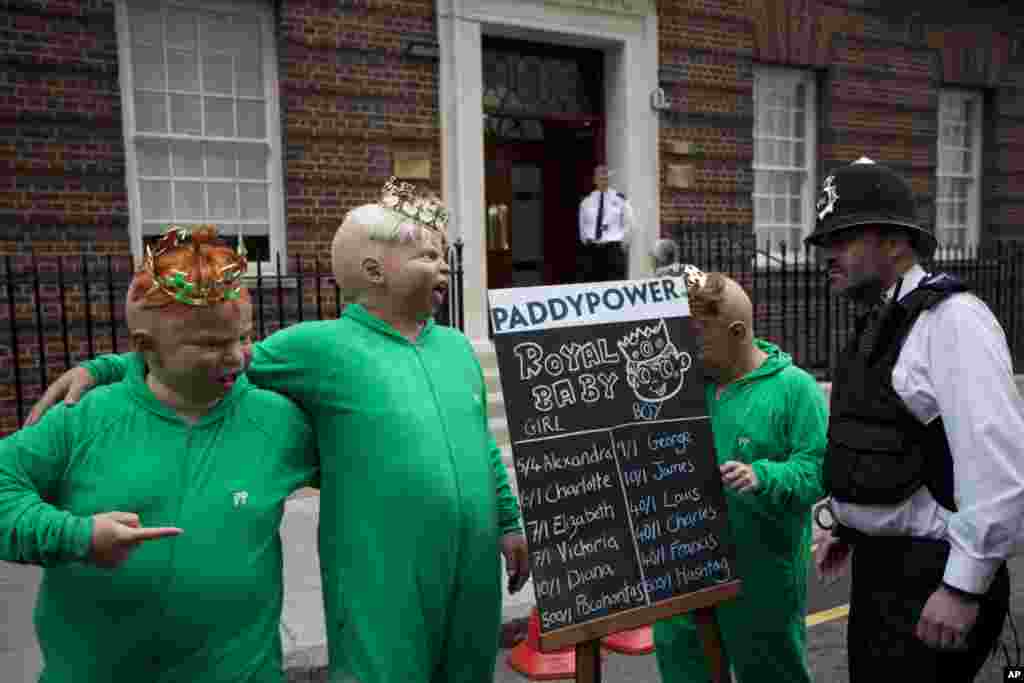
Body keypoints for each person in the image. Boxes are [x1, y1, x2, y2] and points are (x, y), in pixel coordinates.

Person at [25, 178, 530, 683]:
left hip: (473, 565)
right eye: (429, 257)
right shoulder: (322, 347)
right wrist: (108, 368)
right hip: (382, 571)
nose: (444, 267)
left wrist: (507, 521)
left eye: (445, 257)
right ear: (375, 271)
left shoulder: (459, 350)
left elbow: (480, 441)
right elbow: (215, 355)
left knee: (469, 668)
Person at [1, 225, 318, 682]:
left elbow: (367, 463)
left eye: (243, 336)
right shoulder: (84, 420)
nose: (235, 357)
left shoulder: (280, 422)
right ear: (146, 346)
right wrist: (76, 535)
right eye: (210, 344)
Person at [808, 157, 1024, 681]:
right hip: (884, 570)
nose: (827, 256)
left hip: (931, 575)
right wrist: (850, 523)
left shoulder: (953, 321)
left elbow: (997, 469)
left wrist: (962, 587)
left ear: (895, 243)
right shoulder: (880, 321)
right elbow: (886, 441)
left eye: (843, 238)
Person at [654, 271, 827, 683]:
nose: (687, 348)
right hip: (686, 563)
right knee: (683, 664)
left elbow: (818, 470)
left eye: (699, 336)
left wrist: (762, 475)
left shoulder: (795, 389)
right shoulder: (687, 386)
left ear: (736, 331)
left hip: (763, 572)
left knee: (771, 671)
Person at [578, 164, 633, 281]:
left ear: (609, 179)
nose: (603, 180)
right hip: (593, 250)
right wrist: (588, 243)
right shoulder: (587, 202)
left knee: (615, 284)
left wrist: (623, 244)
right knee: (592, 285)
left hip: (613, 249)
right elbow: (582, 227)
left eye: (605, 177)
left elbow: (629, 223)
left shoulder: (620, 199)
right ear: (594, 180)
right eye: (600, 177)